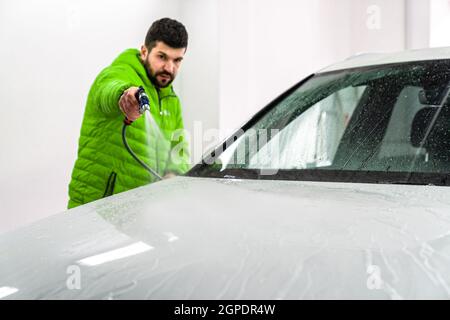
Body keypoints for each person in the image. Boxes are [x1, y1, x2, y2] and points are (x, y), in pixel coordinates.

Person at [68, 18, 190, 209]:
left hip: (140, 212)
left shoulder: (172, 101)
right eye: (162, 57)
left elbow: (179, 150)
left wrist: (173, 174)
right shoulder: (120, 72)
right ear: (144, 52)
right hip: (96, 209)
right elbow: (107, 90)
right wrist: (124, 96)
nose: (169, 68)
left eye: (177, 60)